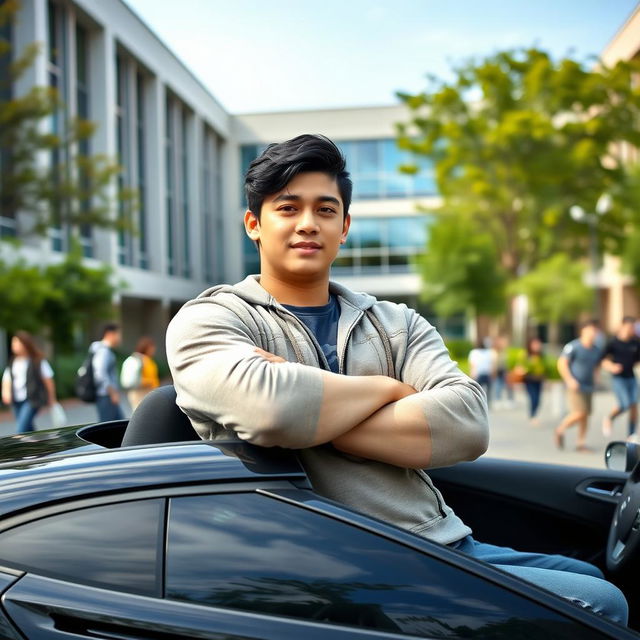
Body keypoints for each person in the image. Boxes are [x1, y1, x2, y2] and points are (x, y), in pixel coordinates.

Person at [166, 135, 627, 624]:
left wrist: (310, 418)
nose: (308, 224)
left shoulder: (395, 322)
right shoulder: (212, 319)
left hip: (436, 541)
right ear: (254, 225)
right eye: (288, 208)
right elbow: (273, 410)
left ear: (344, 227)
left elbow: (468, 424)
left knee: (591, 576)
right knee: (600, 605)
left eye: (326, 210)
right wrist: (391, 391)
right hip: (343, 568)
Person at [555, 320, 603, 452]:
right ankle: (560, 429)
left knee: (585, 415)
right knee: (579, 412)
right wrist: (569, 380)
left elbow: (597, 366)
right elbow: (562, 363)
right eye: (590, 330)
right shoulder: (573, 346)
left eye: (595, 331)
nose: (592, 334)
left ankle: (581, 443)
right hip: (575, 385)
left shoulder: (596, 350)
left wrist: (597, 378)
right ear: (583, 331)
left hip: (589, 385)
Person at [1, 331, 56, 434]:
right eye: (13, 343)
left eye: (17, 343)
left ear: (25, 344)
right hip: (16, 400)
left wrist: (51, 399)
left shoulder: (37, 361)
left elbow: (48, 381)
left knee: (21, 429)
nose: (14, 346)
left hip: (32, 400)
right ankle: (39, 445)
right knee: (28, 428)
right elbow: (7, 379)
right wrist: (6, 392)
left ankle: (20, 449)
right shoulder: (13, 361)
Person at [602, 317, 640, 440]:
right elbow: (603, 360)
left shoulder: (636, 343)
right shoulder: (613, 343)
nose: (632, 330)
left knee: (634, 405)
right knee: (624, 404)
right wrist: (611, 366)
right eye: (630, 327)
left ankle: (631, 434)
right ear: (623, 326)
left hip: (631, 378)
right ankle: (609, 418)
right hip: (619, 378)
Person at [90, 323, 124, 422]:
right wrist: (112, 392)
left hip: (107, 395)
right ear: (110, 334)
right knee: (109, 428)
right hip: (105, 395)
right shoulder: (103, 351)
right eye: (118, 334)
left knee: (117, 426)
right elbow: (100, 373)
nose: (120, 338)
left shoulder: (103, 350)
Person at [516, 337, 546, 425]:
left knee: (538, 399)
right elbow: (519, 365)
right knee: (533, 398)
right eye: (534, 344)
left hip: (539, 379)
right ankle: (532, 416)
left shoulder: (541, 355)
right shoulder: (525, 355)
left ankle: (534, 414)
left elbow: (545, 367)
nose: (537, 346)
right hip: (529, 380)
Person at [125, 337, 160, 410]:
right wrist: (151, 382)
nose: (154, 350)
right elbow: (141, 379)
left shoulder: (139, 358)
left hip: (137, 393)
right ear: (146, 348)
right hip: (142, 394)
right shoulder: (144, 360)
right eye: (152, 347)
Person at [468, 338, 496, 407]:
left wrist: (472, 374)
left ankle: (478, 404)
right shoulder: (489, 352)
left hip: (478, 374)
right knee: (488, 390)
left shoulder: (474, 352)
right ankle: (488, 404)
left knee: (477, 391)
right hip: (487, 373)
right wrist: (493, 373)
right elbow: (492, 363)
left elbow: (472, 364)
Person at [493, 335, 514, 408]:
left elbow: (509, 363)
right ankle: (498, 400)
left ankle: (510, 400)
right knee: (498, 386)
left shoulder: (507, 352)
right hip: (498, 371)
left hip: (505, 371)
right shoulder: (495, 352)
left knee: (509, 386)